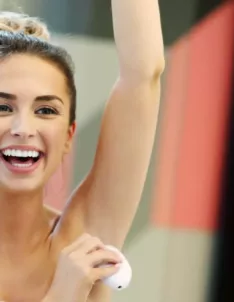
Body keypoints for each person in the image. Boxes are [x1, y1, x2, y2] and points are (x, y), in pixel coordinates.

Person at [0, 0, 164, 300]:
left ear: (68, 136)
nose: (24, 128)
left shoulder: (83, 236)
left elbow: (143, 74)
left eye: (46, 110)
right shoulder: (76, 264)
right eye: (3, 107)